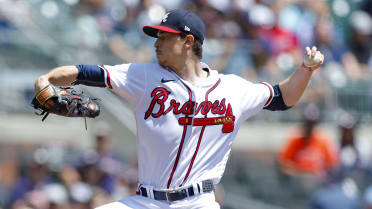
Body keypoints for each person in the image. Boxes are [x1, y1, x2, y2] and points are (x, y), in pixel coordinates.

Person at [33, 9, 324, 209]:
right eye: (156, 37)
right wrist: (45, 79)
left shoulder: (232, 89)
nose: (156, 43)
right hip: (147, 201)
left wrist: (305, 70)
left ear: (188, 42)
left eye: (164, 37)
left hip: (198, 202)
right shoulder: (143, 75)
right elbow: (86, 72)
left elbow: (282, 96)